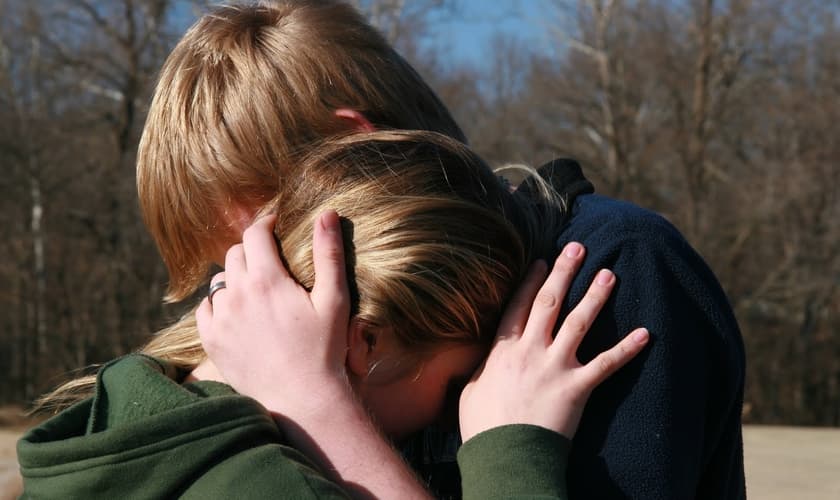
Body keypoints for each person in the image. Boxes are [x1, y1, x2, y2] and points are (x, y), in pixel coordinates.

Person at [30, 1, 746, 498]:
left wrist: (318, 405)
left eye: (261, 247)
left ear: (354, 150)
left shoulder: (609, 275)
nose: (253, 299)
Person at [17, 131, 650, 499]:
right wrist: (510, 451)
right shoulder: (264, 486)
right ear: (364, 341)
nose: (468, 403)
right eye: (461, 382)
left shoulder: (119, 413)